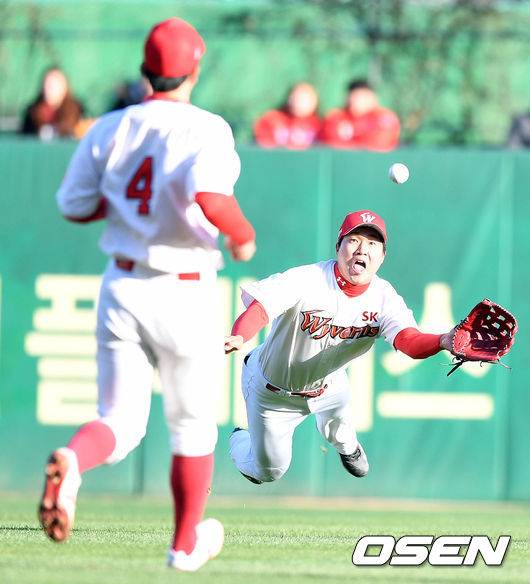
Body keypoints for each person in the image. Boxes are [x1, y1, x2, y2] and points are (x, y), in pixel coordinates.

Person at [38, 17, 256, 573]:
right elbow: (211, 198)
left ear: (144, 72)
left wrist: (127, 208)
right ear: (194, 72)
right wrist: (242, 234)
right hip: (183, 288)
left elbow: (73, 205)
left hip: (122, 284)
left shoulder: (109, 128)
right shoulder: (206, 128)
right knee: (192, 426)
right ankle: (184, 546)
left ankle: (73, 460)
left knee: (119, 421)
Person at [224, 210, 459, 485]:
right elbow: (262, 308)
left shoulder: (384, 298)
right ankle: (239, 438)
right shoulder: (307, 279)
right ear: (338, 247)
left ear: (382, 256)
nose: (362, 249)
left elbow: (408, 341)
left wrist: (442, 340)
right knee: (269, 471)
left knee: (341, 431)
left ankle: (348, 447)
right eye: (354, 240)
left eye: (373, 244)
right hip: (274, 392)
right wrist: (240, 335)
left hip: (330, 384)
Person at [320, 80, 400, 151]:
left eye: (364, 96)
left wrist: (354, 144)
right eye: (356, 96)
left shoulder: (384, 118)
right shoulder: (336, 117)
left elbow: (380, 144)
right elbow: (332, 143)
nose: (359, 100)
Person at [20, 67, 85, 139]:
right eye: (48, 84)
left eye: (55, 84)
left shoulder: (77, 111)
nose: (50, 89)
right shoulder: (32, 113)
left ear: (65, 87)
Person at [254, 82, 322, 149]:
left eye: (305, 99)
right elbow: (264, 146)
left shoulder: (319, 125)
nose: (300, 102)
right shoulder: (273, 120)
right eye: (297, 97)